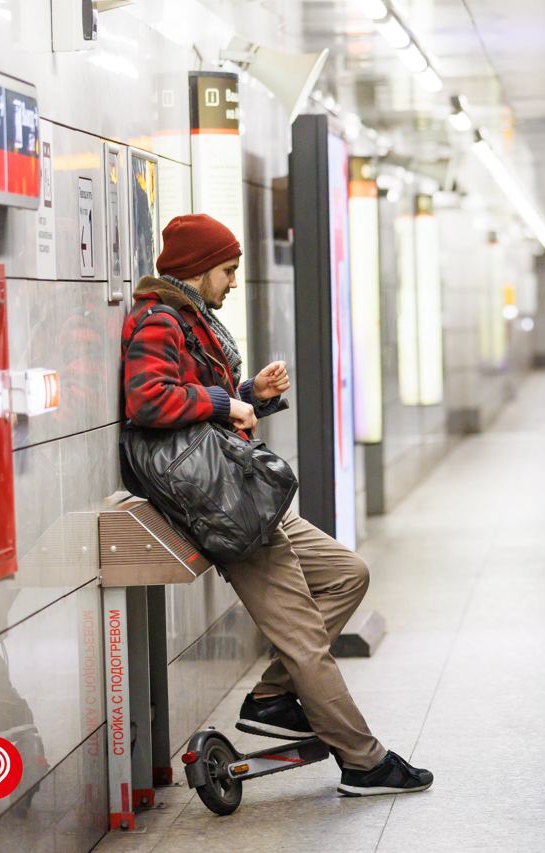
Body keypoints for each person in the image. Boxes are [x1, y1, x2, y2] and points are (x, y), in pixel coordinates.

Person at [121, 213, 432, 795]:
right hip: (222, 509)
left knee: (347, 574)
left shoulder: (193, 320)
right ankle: (364, 761)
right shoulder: (159, 320)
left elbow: (199, 413)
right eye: (228, 270)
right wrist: (222, 401)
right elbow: (148, 401)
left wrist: (248, 397)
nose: (233, 281)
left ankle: (271, 696)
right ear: (196, 269)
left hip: (239, 492)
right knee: (306, 643)